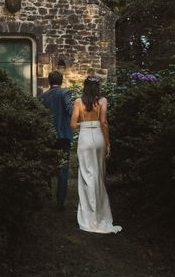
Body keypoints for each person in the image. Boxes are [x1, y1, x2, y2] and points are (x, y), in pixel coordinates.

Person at [70, 76, 122, 234]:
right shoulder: (103, 101)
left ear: (85, 87)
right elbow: (104, 123)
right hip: (99, 138)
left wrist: (84, 125)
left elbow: (72, 124)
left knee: (86, 175)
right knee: (99, 175)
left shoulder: (78, 102)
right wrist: (108, 144)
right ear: (97, 88)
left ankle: (89, 215)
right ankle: (100, 213)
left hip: (85, 138)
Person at [39, 70, 74, 210]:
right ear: (61, 81)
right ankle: (60, 203)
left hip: (48, 136)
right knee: (63, 169)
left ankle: (47, 196)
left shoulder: (42, 96)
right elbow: (70, 111)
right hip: (63, 135)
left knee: (47, 167)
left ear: (49, 81)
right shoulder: (65, 93)